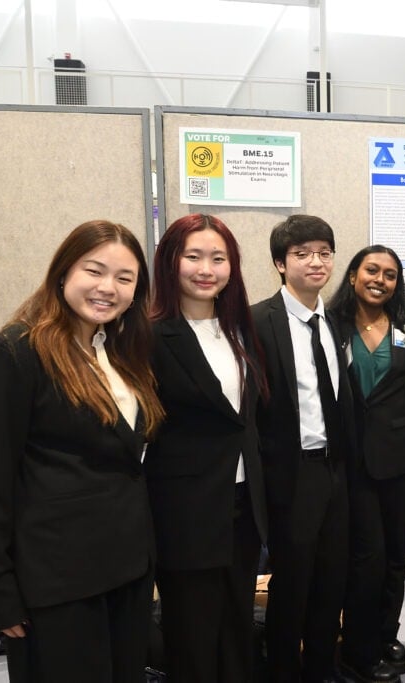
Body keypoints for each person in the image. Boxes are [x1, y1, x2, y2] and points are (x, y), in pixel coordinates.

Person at [0, 220, 164, 682]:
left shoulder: (118, 352)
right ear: (63, 273)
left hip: (125, 570)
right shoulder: (14, 353)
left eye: (124, 278)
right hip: (57, 581)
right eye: (94, 271)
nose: (107, 288)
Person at [146, 213, 269, 683]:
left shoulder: (239, 331)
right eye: (193, 256)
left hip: (242, 503)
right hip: (185, 509)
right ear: (170, 262)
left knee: (237, 621)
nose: (206, 269)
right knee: (192, 629)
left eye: (218, 258)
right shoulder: (150, 335)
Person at [252, 215, 356, 683]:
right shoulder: (257, 322)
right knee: (292, 587)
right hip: (290, 476)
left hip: (336, 472)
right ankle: (281, 673)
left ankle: (320, 669)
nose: (316, 262)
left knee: (331, 581)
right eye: (302, 254)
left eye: (324, 252)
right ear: (280, 263)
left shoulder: (332, 322)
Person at [328, 245, 405, 683]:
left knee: (396, 557)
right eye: (371, 270)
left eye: (390, 274)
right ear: (354, 275)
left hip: (396, 462)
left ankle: (384, 634)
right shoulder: (330, 325)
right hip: (348, 462)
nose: (380, 279)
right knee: (365, 559)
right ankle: (357, 649)